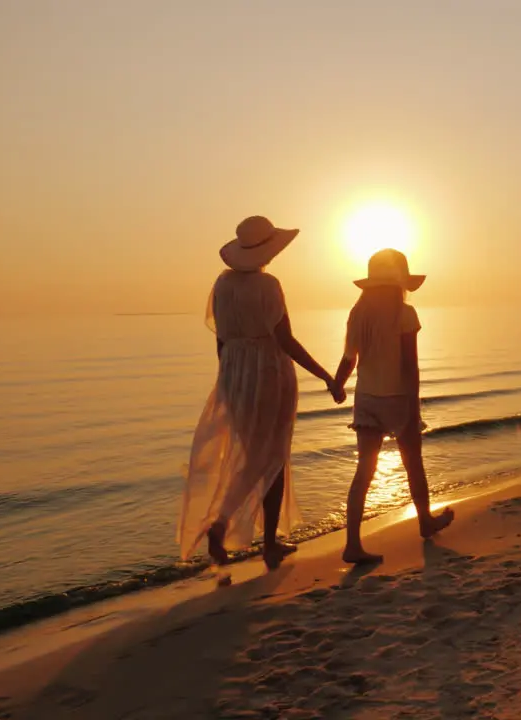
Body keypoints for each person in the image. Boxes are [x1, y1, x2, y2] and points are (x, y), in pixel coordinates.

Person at [178, 216, 340, 570]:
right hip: (267, 371)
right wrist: (325, 375)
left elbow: (221, 342)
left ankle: (241, 532)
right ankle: (251, 537)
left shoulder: (222, 285)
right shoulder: (268, 285)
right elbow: (285, 340)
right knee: (272, 457)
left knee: (254, 454)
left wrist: (228, 382)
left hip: (235, 373)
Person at [331, 249, 454, 564]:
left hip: (367, 399)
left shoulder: (358, 313)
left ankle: (352, 544)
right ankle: (424, 521)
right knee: (413, 463)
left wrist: (337, 384)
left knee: (364, 471)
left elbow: (349, 358)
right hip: (398, 397)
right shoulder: (404, 313)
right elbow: (410, 367)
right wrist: (413, 408)